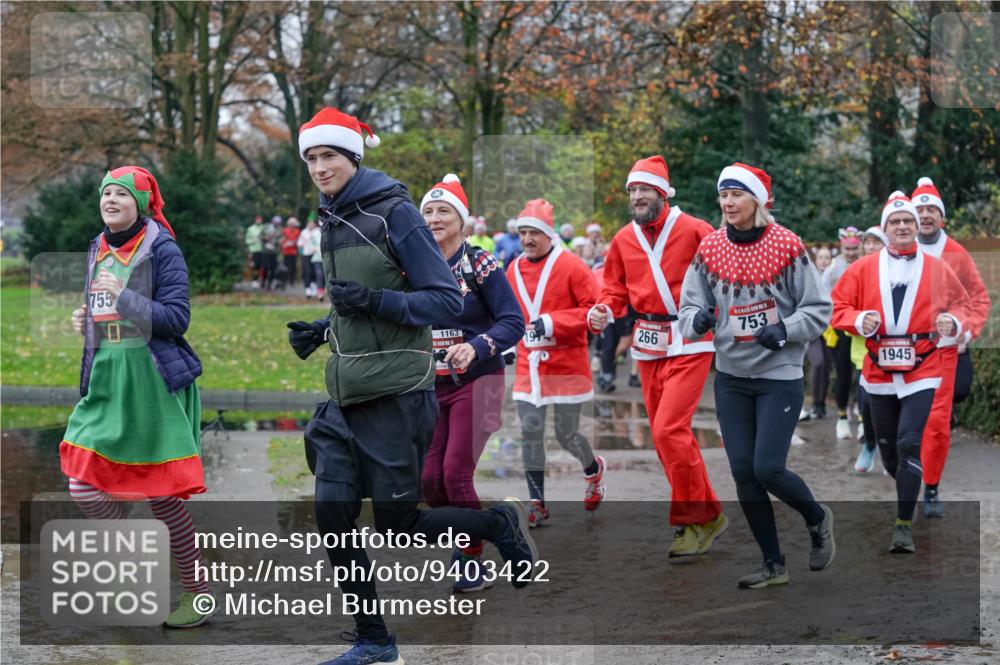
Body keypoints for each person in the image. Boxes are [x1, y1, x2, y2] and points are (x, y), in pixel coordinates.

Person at [287, 108, 538, 665]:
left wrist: (373, 302)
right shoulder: (331, 216)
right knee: (333, 513)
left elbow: (444, 300)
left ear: (353, 157)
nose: (320, 166)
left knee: (400, 522)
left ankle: (498, 522)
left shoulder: (395, 213)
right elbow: (359, 299)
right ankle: (375, 642)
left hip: (398, 393)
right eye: (311, 157)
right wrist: (325, 329)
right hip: (345, 391)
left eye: (329, 155)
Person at [63, 166, 213, 627]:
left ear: (141, 204)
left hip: (152, 387)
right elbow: (107, 314)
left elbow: (175, 319)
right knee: (82, 483)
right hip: (107, 382)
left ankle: (198, 595)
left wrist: (123, 296)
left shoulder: (162, 248)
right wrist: (87, 321)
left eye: (120, 194)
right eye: (106, 192)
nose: (110, 199)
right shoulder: (96, 246)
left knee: (163, 499)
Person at [679, 162, 835, 588]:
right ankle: (773, 564)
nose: (727, 203)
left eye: (736, 195)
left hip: (779, 374)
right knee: (743, 472)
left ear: (757, 200)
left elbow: (819, 309)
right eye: (723, 195)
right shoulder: (710, 247)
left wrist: (784, 329)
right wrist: (697, 320)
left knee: (768, 468)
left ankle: (818, 519)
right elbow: (688, 304)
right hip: (731, 374)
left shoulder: (787, 245)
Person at [588, 155, 728, 559]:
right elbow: (613, 291)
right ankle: (709, 514)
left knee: (669, 429)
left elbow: (722, 278)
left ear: (664, 193)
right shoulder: (623, 239)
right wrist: (602, 310)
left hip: (688, 338)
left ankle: (688, 521)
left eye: (645, 189)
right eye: (632, 190)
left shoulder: (695, 229)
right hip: (647, 342)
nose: (637, 196)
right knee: (668, 439)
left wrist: (714, 317)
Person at [831, 191, 971, 553]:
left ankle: (903, 525)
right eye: (896, 222)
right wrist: (860, 319)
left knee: (910, 443)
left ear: (916, 226)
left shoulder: (938, 267)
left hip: (923, 369)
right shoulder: (862, 268)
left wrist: (953, 323)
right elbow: (837, 308)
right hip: (877, 374)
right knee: (891, 451)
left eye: (909, 220)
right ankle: (908, 483)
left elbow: (965, 305)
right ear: (885, 229)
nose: (904, 225)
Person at [419, 173, 525, 593]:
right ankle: (474, 536)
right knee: (428, 480)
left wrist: (479, 345)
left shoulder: (479, 263)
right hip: (431, 384)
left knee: (455, 473)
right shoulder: (413, 267)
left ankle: (471, 558)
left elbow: (513, 321)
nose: (434, 218)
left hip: (478, 381)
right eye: (427, 211)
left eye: (444, 211)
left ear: (462, 221)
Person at [506, 199, 606, 527]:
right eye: (522, 232)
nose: (527, 239)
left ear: (549, 234)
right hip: (528, 365)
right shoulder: (513, 269)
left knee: (566, 435)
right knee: (530, 432)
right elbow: (507, 313)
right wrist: (503, 341)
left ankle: (593, 470)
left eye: (534, 232)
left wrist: (553, 322)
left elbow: (595, 313)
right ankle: (538, 503)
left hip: (566, 363)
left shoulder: (573, 266)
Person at [911, 177, 991, 517]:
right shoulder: (899, 248)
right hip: (901, 353)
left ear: (941, 217)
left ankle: (930, 489)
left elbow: (979, 299)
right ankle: (900, 476)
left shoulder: (956, 253)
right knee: (899, 428)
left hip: (943, 351)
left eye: (931, 210)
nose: (926, 215)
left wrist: (963, 330)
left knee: (937, 424)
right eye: (920, 210)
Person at [823, 226, 864, 439]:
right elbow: (823, 296)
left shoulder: (865, 263)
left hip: (861, 327)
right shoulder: (832, 269)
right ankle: (841, 417)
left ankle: (863, 418)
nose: (850, 253)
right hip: (840, 329)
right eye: (847, 249)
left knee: (863, 375)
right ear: (841, 246)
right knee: (843, 375)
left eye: (854, 249)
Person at [854, 226, 888, 473]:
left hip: (894, 353)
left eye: (877, 242)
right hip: (862, 354)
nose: (871, 247)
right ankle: (869, 443)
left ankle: (891, 451)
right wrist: (859, 321)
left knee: (891, 407)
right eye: (868, 242)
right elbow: (841, 307)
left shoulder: (894, 272)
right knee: (866, 405)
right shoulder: (857, 272)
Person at [802, 245, 835, 420]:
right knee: (818, 363)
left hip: (830, 329)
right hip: (814, 328)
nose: (824, 260)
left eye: (827, 258)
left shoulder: (834, 277)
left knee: (827, 366)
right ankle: (815, 402)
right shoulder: (810, 276)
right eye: (821, 257)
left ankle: (821, 405)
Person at [297, 216, 320, 298]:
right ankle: (308, 289)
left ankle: (314, 286)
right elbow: (299, 243)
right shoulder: (304, 232)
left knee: (315, 271)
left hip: (315, 254)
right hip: (306, 254)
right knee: (307, 271)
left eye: (312, 223)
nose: (311, 225)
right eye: (309, 223)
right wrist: (301, 249)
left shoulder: (317, 231)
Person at [260, 215, 282, 290]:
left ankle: (269, 284)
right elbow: (260, 236)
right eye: (276, 223)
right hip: (266, 250)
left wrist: (276, 242)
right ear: (272, 222)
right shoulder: (266, 227)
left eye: (278, 223)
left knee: (273, 268)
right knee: (265, 267)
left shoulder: (279, 229)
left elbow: (281, 239)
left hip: (274, 251)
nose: (277, 224)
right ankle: (263, 281)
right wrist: (266, 239)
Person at [281, 216, 301, 287]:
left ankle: (292, 281)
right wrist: (284, 244)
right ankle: (284, 280)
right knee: (285, 267)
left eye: (293, 224)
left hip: (293, 252)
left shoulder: (297, 231)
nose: (292, 225)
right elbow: (282, 239)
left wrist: (293, 242)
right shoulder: (285, 230)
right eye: (291, 224)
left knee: (292, 267)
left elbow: (299, 240)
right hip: (286, 251)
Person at [245, 214, 264, 288]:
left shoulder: (263, 228)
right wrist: (253, 240)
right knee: (254, 266)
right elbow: (247, 240)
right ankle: (254, 280)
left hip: (262, 250)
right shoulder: (250, 229)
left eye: (260, 220)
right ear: (255, 220)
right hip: (253, 250)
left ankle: (260, 280)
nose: (259, 221)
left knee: (261, 266)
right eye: (257, 220)